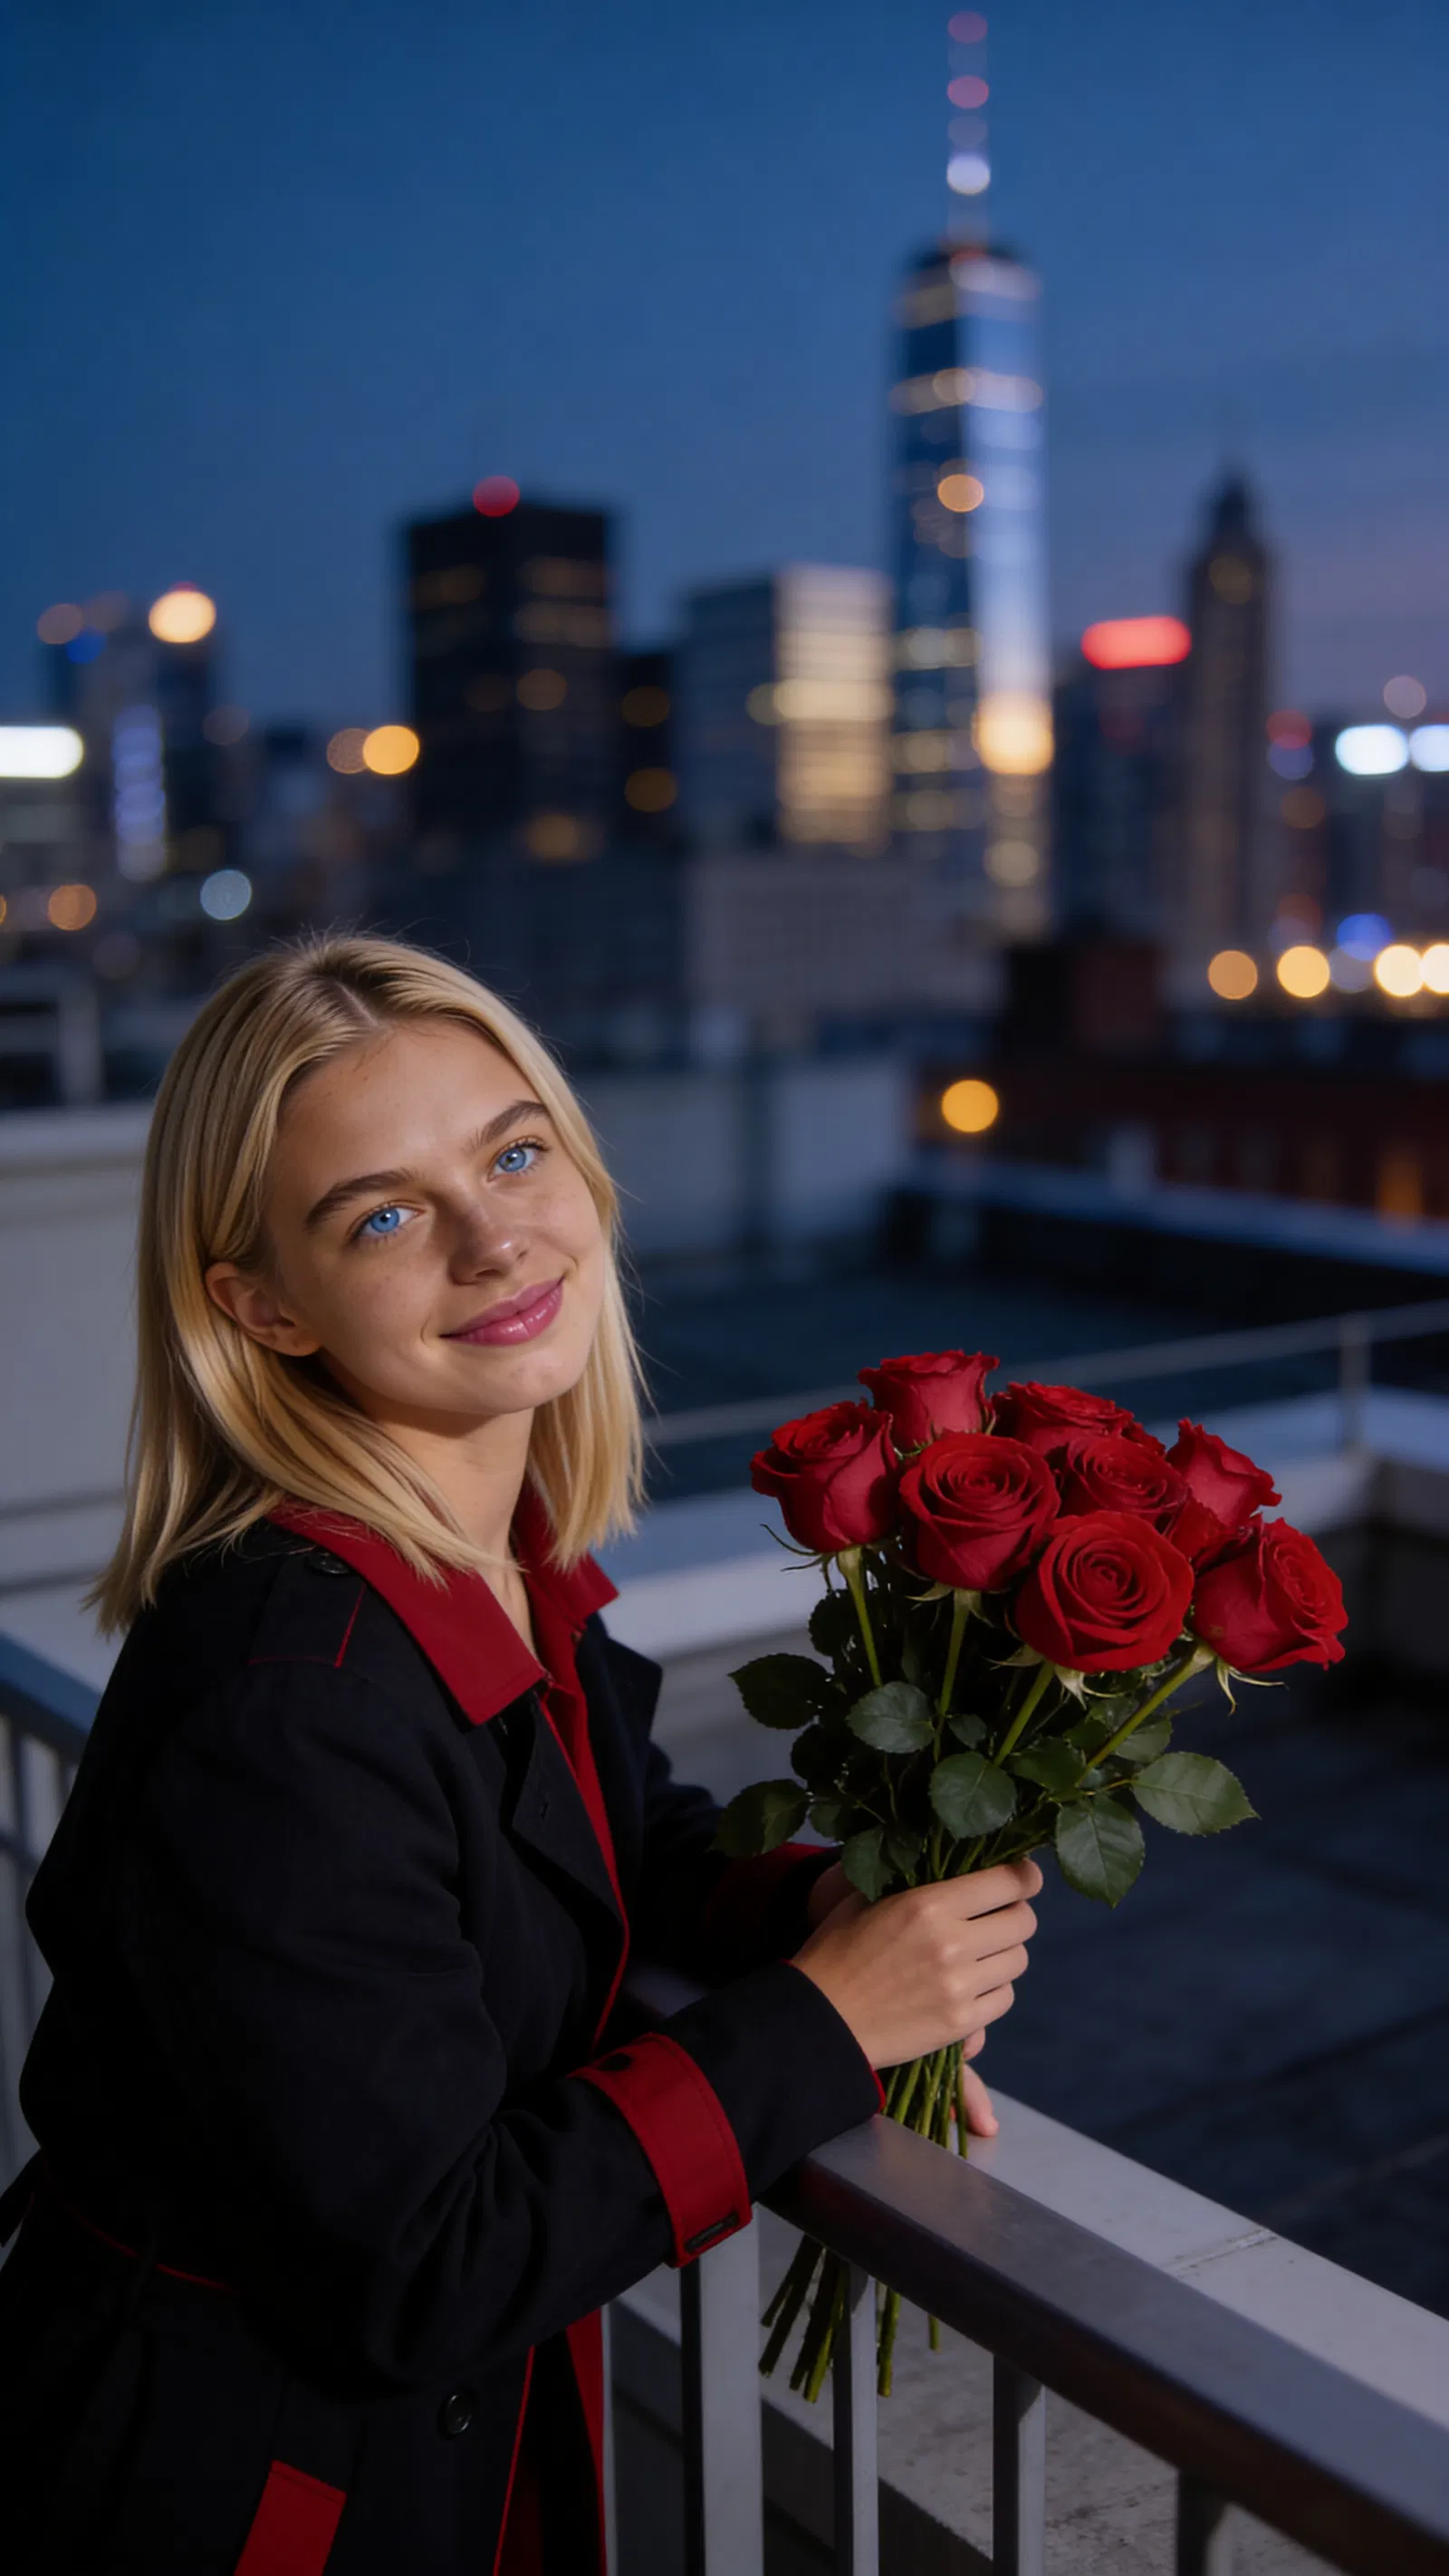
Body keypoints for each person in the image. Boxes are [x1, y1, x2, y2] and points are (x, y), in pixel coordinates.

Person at [0, 935, 1041, 2575]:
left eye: (513, 1149)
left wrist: (833, 1904)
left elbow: (607, 1839)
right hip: (229, 2499)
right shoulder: (292, 1699)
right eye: (387, 1215)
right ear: (260, 1304)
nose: (498, 1237)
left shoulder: (492, 1555)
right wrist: (829, 2023)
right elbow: (424, 2260)